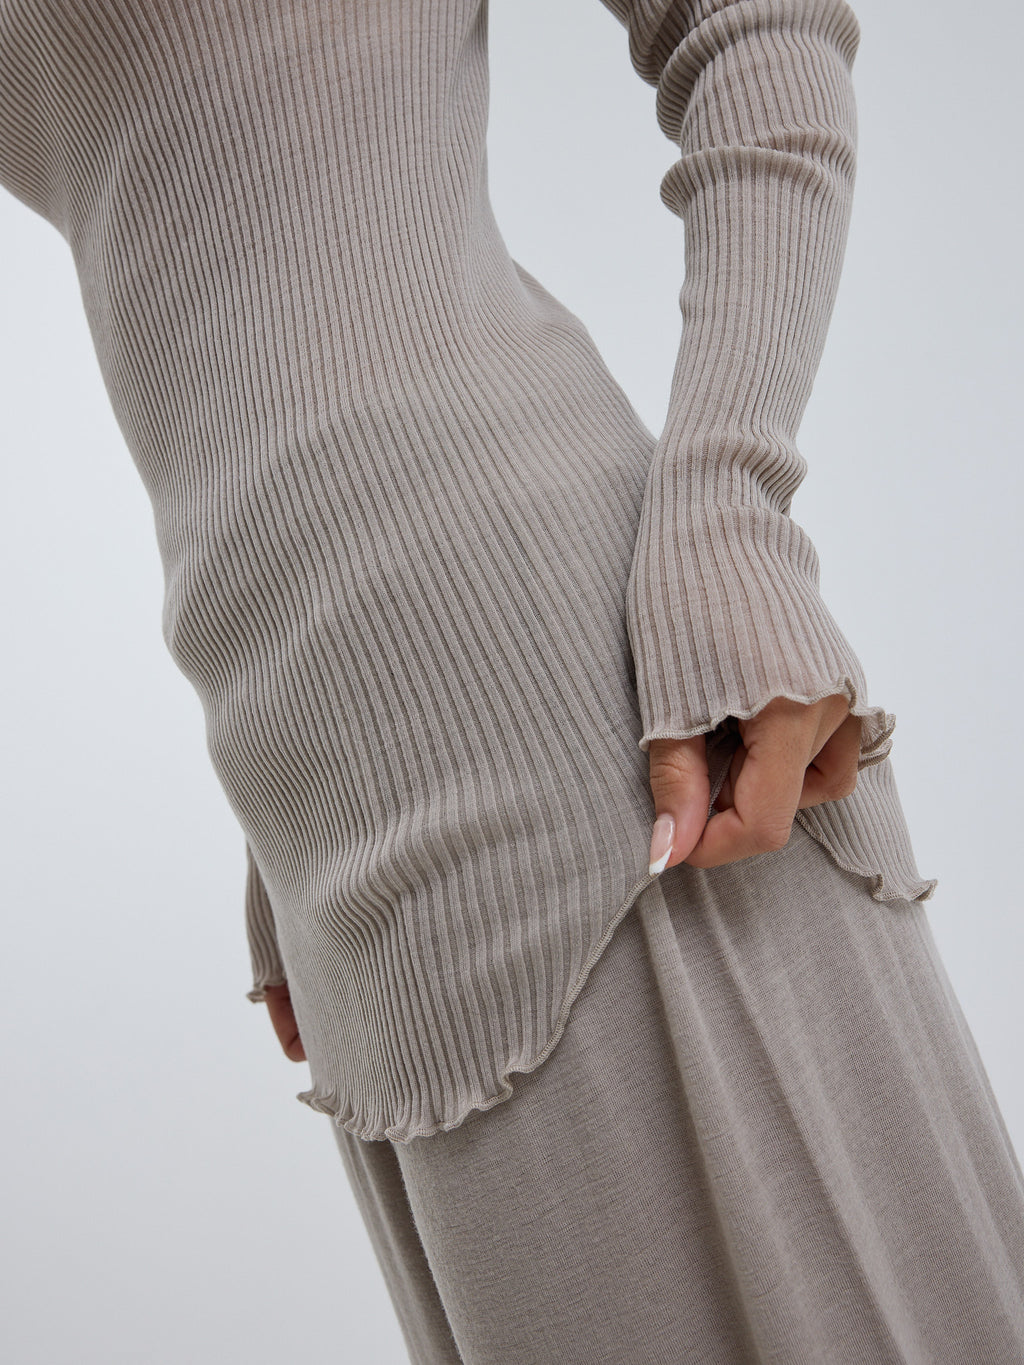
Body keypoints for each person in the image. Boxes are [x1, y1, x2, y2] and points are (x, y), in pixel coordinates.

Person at [1, 0, 1022, 1360]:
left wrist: (728, 507)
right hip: (326, 788)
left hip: (592, 718)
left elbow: (754, 23)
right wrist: (288, 787)